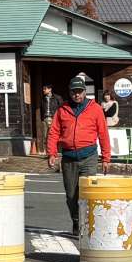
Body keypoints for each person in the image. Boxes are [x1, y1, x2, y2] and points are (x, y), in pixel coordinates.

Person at [47, 73, 111, 235]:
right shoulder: (62, 110)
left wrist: (106, 158)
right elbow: (54, 132)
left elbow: (103, 134)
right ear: (69, 92)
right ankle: (76, 220)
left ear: (84, 91)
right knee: (71, 195)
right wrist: (52, 153)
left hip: (89, 157)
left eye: (80, 91)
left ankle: (88, 225)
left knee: (88, 194)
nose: (77, 94)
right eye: (74, 92)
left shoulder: (95, 109)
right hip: (68, 158)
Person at [36, 83, 59, 155]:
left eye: (45, 89)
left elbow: (60, 108)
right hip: (45, 118)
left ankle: (55, 151)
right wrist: (42, 119)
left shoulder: (57, 98)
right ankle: (47, 151)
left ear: (50, 89)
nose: (43, 90)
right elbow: (41, 109)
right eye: (43, 89)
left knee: (54, 135)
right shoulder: (43, 99)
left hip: (54, 118)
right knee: (45, 135)